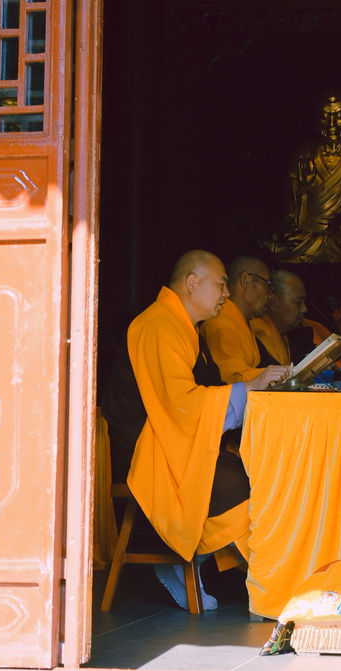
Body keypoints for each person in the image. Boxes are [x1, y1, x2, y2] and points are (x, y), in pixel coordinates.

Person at [126, 249, 284, 611]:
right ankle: (184, 564)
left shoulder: (182, 326)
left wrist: (253, 386)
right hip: (149, 448)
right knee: (239, 483)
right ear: (192, 283)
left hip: (173, 438)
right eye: (222, 284)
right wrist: (249, 388)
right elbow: (180, 403)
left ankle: (203, 565)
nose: (227, 295)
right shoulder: (158, 324)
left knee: (254, 473)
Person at [271, 89, 341, 264]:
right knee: (277, 245)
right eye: (325, 116)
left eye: (339, 116)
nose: (331, 124)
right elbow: (291, 212)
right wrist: (302, 188)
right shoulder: (304, 154)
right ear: (317, 119)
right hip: (309, 234)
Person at [200, 255, 291, 385]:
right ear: (245, 281)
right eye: (268, 284)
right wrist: (270, 375)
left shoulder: (242, 321)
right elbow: (231, 380)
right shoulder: (222, 322)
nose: (271, 295)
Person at [250, 269, 308, 366]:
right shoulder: (258, 334)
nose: (304, 309)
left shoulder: (282, 334)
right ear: (273, 301)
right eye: (298, 302)